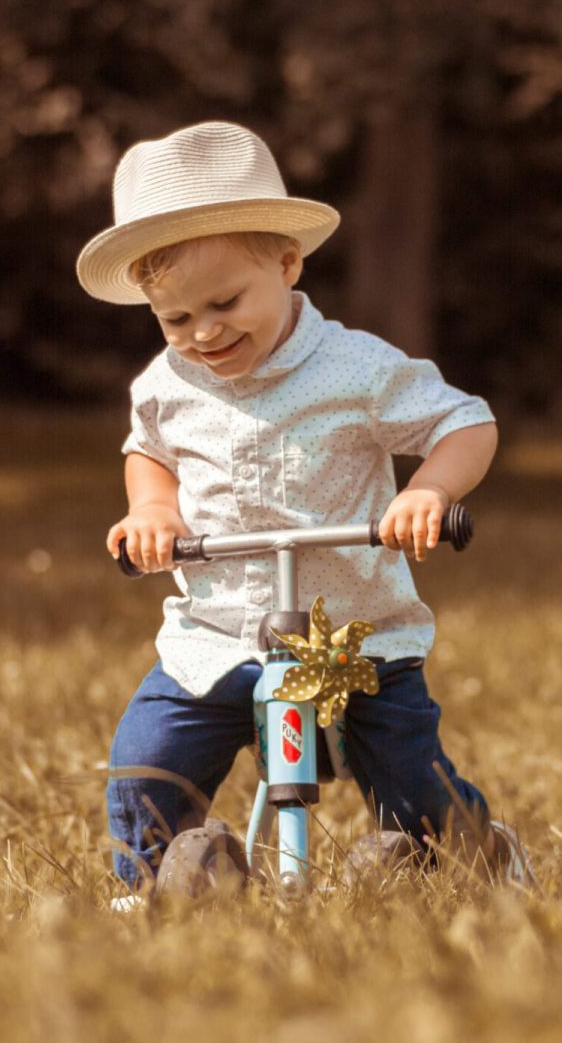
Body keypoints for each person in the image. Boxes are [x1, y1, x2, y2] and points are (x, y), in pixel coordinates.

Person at [79, 121, 526, 895]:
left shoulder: (356, 367)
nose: (203, 332)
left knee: (413, 790)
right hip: (216, 634)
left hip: (360, 637)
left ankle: (477, 853)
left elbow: (465, 421)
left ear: (287, 263)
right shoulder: (164, 381)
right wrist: (153, 510)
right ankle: (153, 889)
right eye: (175, 318)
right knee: (147, 763)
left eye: (225, 302)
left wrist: (429, 492)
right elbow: (147, 447)